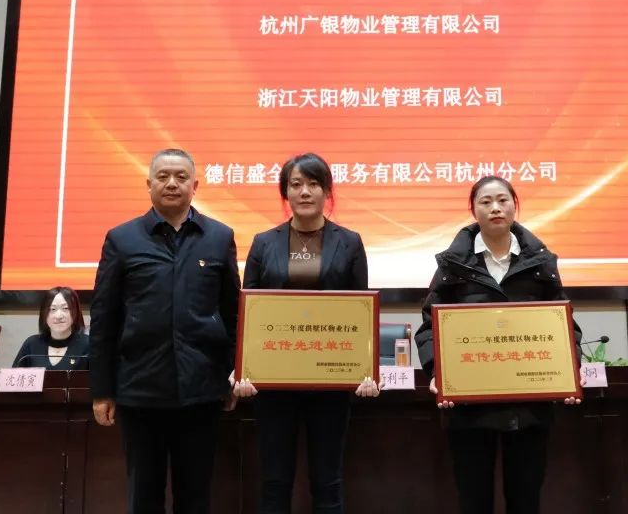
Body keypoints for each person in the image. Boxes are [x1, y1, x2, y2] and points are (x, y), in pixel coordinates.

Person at [414, 176, 583, 514]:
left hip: (529, 406)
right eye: (486, 201)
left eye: (503, 200)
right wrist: (438, 371)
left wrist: (569, 371)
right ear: (473, 210)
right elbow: (429, 326)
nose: (495, 208)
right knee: (473, 501)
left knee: (526, 501)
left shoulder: (541, 263)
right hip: (469, 409)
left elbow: (565, 326)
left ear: (514, 206)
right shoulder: (452, 265)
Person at [89, 148, 241, 514]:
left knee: (195, 496)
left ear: (195, 186)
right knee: (144, 496)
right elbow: (105, 318)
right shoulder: (122, 239)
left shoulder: (219, 237)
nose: (172, 183)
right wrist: (102, 390)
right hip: (140, 390)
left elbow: (233, 313)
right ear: (149, 184)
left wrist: (232, 374)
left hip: (201, 389)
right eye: (163, 176)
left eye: (181, 177)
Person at [232, 152, 379, 514]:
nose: (305, 192)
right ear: (285, 192)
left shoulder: (350, 242)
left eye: (313, 184)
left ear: (327, 191)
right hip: (274, 382)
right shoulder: (264, 242)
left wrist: (366, 369)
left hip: (330, 382)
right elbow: (249, 310)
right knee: (274, 482)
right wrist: (243, 367)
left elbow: (360, 310)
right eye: (296, 184)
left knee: (327, 482)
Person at [13, 286, 89, 370]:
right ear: (44, 314)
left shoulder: (88, 344)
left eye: (65, 308)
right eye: (52, 309)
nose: (58, 316)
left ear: (76, 311)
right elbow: (14, 376)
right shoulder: (31, 344)